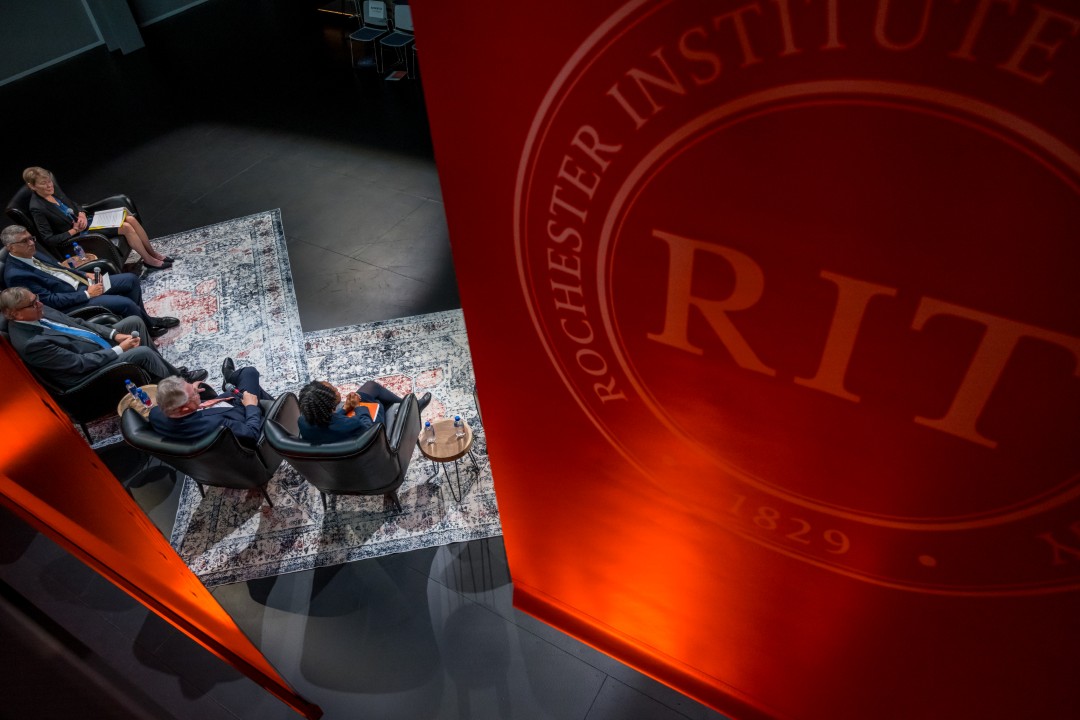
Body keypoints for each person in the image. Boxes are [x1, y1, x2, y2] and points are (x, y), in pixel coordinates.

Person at [0, 287, 205, 389]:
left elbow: (79, 324)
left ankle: (157, 373)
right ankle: (180, 385)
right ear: (16, 314)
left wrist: (115, 334)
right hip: (88, 372)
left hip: (92, 344)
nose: (40, 304)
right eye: (33, 304)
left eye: (37, 299)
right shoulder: (30, 343)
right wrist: (119, 349)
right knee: (141, 352)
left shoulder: (38, 311)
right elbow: (79, 364)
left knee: (134, 322)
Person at [1, 225, 179, 338]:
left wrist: (83, 275)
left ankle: (148, 322)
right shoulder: (16, 274)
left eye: (31, 238)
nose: (32, 243)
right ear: (11, 248)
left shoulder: (30, 252)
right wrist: (87, 293)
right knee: (125, 303)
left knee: (130, 280)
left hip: (81, 284)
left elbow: (59, 268)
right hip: (72, 300)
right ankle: (146, 333)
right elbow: (49, 302)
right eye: (25, 241)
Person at [23, 166, 172, 271]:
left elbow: (74, 204)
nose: (49, 185)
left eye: (49, 181)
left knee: (130, 219)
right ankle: (149, 260)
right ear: (32, 186)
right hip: (80, 234)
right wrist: (74, 230)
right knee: (126, 227)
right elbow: (49, 239)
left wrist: (81, 213)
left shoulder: (53, 190)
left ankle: (153, 253)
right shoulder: (37, 208)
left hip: (85, 221)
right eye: (44, 184)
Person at [150, 358, 275, 443]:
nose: (196, 390)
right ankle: (276, 413)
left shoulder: (155, 414)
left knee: (243, 385)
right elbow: (251, 435)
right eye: (194, 394)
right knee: (249, 373)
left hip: (214, 408)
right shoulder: (216, 425)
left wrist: (190, 393)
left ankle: (230, 380)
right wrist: (251, 407)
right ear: (185, 408)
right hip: (241, 414)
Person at [296, 379, 430, 444]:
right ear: (330, 404)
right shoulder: (350, 424)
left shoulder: (302, 421)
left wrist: (344, 410)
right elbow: (371, 429)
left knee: (371, 387)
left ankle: (408, 406)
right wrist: (359, 406)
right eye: (335, 391)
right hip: (372, 438)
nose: (337, 389)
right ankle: (409, 408)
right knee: (377, 402)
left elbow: (328, 424)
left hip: (333, 466)